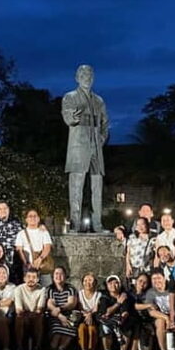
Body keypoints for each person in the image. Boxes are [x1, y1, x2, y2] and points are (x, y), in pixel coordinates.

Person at [62, 64, 109, 233]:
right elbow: (69, 118)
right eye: (83, 74)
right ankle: (75, 223)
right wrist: (76, 114)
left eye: (89, 74)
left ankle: (97, 224)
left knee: (97, 185)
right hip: (78, 147)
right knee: (76, 186)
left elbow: (105, 122)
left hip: (96, 146)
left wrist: (102, 137)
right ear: (77, 77)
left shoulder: (99, 100)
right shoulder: (70, 97)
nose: (86, 77)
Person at [98, 275, 135, 350]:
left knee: (127, 328)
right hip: (109, 320)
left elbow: (125, 311)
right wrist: (118, 303)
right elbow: (106, 312)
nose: (113, 285)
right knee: (104, 327)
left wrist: (122, 318)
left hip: (121, 320)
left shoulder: (125, 295)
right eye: (110, 283)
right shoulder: (104, 297)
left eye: (116, 283)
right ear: (107, 285)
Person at [13, 268, 47, 350]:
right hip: (23, 314)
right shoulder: (18, 289)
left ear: (38, 279)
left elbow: (40, 308)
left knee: (39, 318)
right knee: (18, 318)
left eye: (34, 277)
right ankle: (19, 347)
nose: (31, 279)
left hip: (35, 315)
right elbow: (18, 309)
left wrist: (34, 313)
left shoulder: (42, 289)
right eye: (28, 277)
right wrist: (26, 315)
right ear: (24, 278)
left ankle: (37, 347)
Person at [46, 267, 78, 350]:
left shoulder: (71, 289)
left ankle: (62, 348)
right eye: (56, 274)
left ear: (65, 276)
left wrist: (60, 309)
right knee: (56, 328)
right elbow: (50, 304)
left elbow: (71, 303)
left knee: (71, 325)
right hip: (54, 315)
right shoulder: (50, 289)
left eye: (61, 274)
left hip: (68, 313)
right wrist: (60, 316)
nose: (58, 276)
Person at [15, 209, 53, 287]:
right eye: (30, 216)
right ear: (26, 219)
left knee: (46, 288)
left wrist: (40, 259)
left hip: (43, 266)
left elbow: (47, 247)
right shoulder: (21, 233)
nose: (33, 218)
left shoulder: (44, 232)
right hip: (27, 268)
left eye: (35, 216)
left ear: (38, 218)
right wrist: (26, 263)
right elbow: (19, 250)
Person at [145, 270, 174, 350]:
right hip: (161, 317)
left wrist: (172, 318)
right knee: (160, 322)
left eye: (159, 278)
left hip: (174, 315)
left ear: (165, 279)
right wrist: (166, 318)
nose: (157, 281)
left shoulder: (171, 289)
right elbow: (151, 312)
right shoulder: (151, 292)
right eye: (154, 279)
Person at [131, 272, 156, 350]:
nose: (142, 284)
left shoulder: (148, 294)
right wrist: (148, 305)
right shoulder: (130, 293)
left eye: (145, 282)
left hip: (146, 318)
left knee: (149, 328)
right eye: (140, 281)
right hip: (132, 318)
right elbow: (133, 306)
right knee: (137, 327)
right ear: (136, 281)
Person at [77, 272, 101, 350]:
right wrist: (86, 314)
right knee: (82, 327)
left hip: (94, 317)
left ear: (95, 282)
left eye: (90, 280)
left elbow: (96, 308)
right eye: (85, 280)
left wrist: (90, 314)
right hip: (82, 317)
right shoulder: (79, 294)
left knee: (92, 328)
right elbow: (79, 307)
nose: (88, 283)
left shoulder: (98, 294)